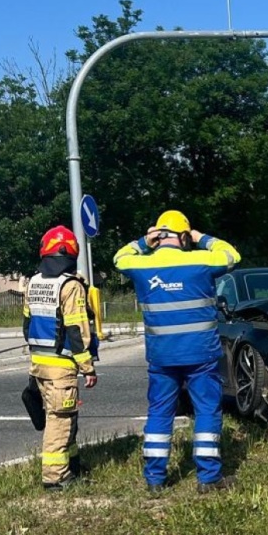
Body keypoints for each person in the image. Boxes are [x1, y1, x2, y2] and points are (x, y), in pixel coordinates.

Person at [114, 210, 240, 494]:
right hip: (201, 354)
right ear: (183, 237)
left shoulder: (141, 264)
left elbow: (118, 258)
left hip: (162, 356)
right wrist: (200, 237)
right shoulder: (200, 260)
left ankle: (155, 479)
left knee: (160, 412)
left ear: (158, 236)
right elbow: (232, 255)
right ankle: (208, 477)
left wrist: (143, 242)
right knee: (206, 411)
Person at [23, 225, 98, 491]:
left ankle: (73, 464)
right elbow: (77, 329)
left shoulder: (33, 282)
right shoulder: (71, 286)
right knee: (60, 421)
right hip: (61, 366)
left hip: (38, 364)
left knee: (67, 416)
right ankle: (55, 478)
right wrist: (87, 367)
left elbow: (27, 325)